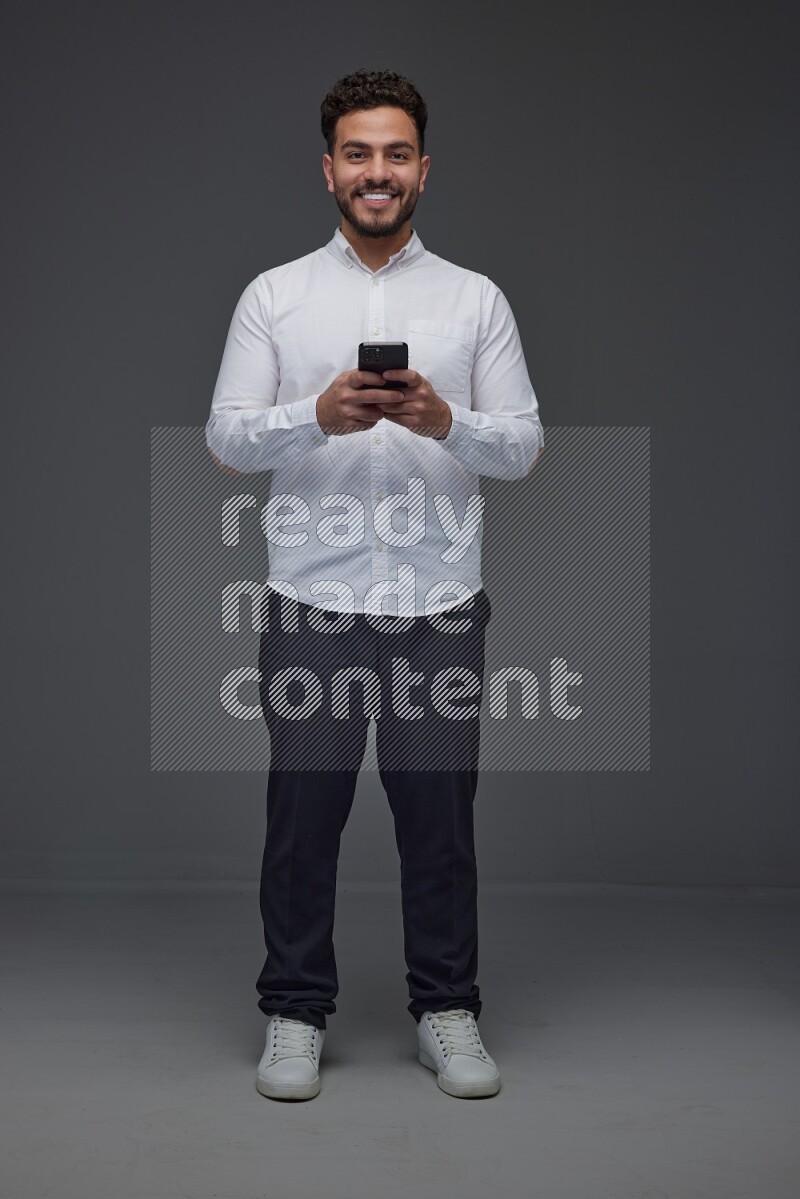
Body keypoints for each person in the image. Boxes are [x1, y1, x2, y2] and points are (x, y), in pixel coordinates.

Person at [206, 68, 544, 1101]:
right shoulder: (275, 294)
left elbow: (524, 444)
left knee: (438, 815)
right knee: (301, 814)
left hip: (437, 607)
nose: (377, 172)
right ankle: (293, 1009)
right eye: (357, 153)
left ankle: (447, 1007)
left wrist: (449, 423)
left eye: (395, 153)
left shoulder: (473, 298)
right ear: (327, 169)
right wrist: (316, 413)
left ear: (422, 168)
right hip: (312, 604)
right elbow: (225, 434)